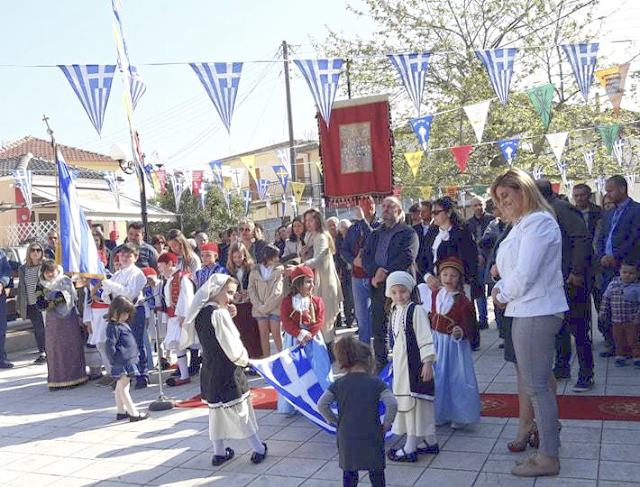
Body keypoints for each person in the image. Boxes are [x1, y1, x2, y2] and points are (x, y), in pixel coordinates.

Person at [490, 168, 568, 477]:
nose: (503, 203)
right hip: (527, 310)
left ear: (524, 190)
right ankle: (549, 442)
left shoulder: (538, 222)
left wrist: (501, 294)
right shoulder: (525, 223)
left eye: (506, 195)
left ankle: (548, 457)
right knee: (539, 381)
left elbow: (526, 274)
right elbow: (514, 265)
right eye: (499, 199)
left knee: (536, 387)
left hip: (535, 310)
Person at [180, 274, 268, 466]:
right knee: (240, 409)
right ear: (215, 290)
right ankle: (258, 448)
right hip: (228, 368)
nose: (230, 298)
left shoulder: (200, 312)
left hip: (210, 368)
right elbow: (230, 343)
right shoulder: (218, 314)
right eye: (228, 292)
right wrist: (244, 360)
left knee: (216, 412)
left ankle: (219, 453)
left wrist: (227, 313)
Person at [536, 179, 594, 391]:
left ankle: (586, 375)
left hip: (572, 279)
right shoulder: (544, 210)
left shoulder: (562, 208)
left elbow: (581, 238)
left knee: (579, 330)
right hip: (555, 280)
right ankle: (561, 368)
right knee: (559, 327)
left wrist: (577, 271)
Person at [318, 336, 398, 487]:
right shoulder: (376, 383)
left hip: (347, 436)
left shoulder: (338, 384)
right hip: (372, 434)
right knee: (376, 472)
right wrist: (387, 422)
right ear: (368, 360)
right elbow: (392, 403)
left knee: (349, 473)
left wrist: (335, 420)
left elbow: (322, 404)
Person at [418, 257, 481, 428]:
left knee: (456, 378)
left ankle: (459, 416)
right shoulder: (435, 294)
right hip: (437, 342)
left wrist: (461, 331)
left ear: (459, 278)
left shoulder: (463, 301)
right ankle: (441, 413)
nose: (448, 278)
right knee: (439, 377)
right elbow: (431, 314)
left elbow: (470, 325)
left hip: (454, 347)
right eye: (444, 274)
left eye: (453, 275)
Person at [385, 271, 438, 462]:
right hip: (401, 366)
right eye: (394, 292)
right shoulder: (394, 311)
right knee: (410, 403)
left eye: (403, 291)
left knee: (415, 404)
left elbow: (425, 338)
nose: (399, 296)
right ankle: (430, 441)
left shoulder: (416, 310)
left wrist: (428, 362)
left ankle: (410, 446)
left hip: (414, 365)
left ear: (410, 291)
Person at [362, 196, 419, 371]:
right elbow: (365, 256)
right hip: (379, 287)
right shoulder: (375, 233)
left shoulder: (408, 233)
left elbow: (408, 256)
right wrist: (373, 275)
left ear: (399, 211)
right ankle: (381, 363)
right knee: (379, 327)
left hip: (401, 287)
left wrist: (384, 272)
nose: (385, 209)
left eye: (390, 206)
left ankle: (408, 362)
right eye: (384, 206)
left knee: (404, 325)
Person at [420, 197, 481, 349]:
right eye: (432, 212)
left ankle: (466, 340)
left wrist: (451, 279)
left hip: (456, 284)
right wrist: (428, 277)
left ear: (448, 213)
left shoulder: (461, 233)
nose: (433, 216)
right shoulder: (433, 232)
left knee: (460, 317)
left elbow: (469, 260)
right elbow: (422, 258)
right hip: (434, 284)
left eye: (436, 212)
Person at [594, 175, 640, 355]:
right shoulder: (608, 213)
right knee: (612, 308)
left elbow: (635, 238)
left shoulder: (636, 211)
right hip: (607, 268)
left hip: (628, 267)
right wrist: (602, 256)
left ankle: (634, 347)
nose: (608, 194)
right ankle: (614, 345)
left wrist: (617, 256)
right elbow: (601, 238)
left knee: (631, 307)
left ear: (622, 189)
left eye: (611, 190)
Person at [278, 265, 332, 415]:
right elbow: (286, 322)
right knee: (293, 369)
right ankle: (290, 405)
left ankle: (325, 402)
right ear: (298, 283)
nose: (311, 285)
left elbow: (319, 320)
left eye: (312, 281)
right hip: (293, 339)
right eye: (308, 282)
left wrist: (309, 334)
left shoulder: (317, 300)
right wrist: (299, 333)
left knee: (319, 367)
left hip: (313, 339)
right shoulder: (287, 302)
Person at [97, 243, 149, 389]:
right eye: (122, 255)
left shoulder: (137, 273)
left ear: (135, 257)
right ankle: (127, 374)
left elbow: (130, 293)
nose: (125, 258)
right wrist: (106, 291)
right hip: (118, 313)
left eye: (129, 256)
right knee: (122, 344)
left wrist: (112, 286)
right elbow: (108, 298)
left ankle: (142, 375)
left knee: (136, 342)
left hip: (134, 310)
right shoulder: (118, 274)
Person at [292, 208, 343, 347]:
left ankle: (330, 352)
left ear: (318, 220)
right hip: (313, 283)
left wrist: (299, 267)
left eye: (311, 220)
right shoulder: (308, 236)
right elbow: (304, 256)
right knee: (315, 319)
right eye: (306, 220)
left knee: (326, 319)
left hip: (324, 282)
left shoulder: (322, 236)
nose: (308, 223)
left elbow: (318, 259)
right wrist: (302, 255)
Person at [35, 260, 88, 390]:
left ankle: (75, 378)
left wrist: (51, 301)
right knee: (54, 349)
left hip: (68, 318)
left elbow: (66, 297)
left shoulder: (64, 281)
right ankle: (56, 380)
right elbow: (40, 303)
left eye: (52, 271)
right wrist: (52, 301)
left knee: (71, 346)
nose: (51, 274)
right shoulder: (41, 284)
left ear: (57, 270)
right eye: (47, 272)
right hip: (52, 321)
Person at [342, 196, 380, 345]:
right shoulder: (353, 228)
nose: (367, 207)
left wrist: (364, 221)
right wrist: (353, 261)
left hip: (375, 277)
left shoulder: (381, 225)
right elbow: (344, 250)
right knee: (362, 317)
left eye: (370, 204)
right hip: (357, 277)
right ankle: (365, 352)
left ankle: (380, 351)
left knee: (378, 315)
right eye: (363, 205)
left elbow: (373, 237)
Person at [104, 296, 149, 422]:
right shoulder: (113, 327)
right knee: (124, 387)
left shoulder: (120, 324)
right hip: (122, 361)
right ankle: (133, 413)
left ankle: (121, 411)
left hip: (126, 359)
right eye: (124, 314)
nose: (126, 317)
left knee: (120, 386)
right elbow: (110, 346)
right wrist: (113, 360)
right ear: (115, 312)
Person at [158, 252, 195, 387]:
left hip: (181, 317)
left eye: (161, 266)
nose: (160, 269)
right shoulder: (168, 280)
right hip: (173, 317)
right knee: (178, 346)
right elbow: (166, 301)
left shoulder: (182, 278)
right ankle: (184, 375)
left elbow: (187, 298)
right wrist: (165, 319)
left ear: (169, 264)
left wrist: (184, 316)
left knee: (194, 343)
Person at [599, 260, 640, 368]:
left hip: (631, 320)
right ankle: (619, 356)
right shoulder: (613, 284)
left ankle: (637, 357)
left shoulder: (637, 288)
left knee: (633, 340)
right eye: (624, 272)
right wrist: (603, 312)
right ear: (619, 272)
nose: (627, 275)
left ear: (636, 275)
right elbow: (605, 299)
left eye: (631, 273)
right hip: (616, 320)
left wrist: (638, 317)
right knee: (618, 339)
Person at [227, 242, 262, 358]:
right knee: (240, 333)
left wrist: (248, 292)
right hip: (237, 305)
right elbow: (228, 288)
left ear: (245, 256)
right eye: (235, 257)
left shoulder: (251, 268)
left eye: (240, 256)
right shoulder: (229, 270)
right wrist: (234, 295)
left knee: (252, 332)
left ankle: (255, 357)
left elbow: (256, 285)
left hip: (249, 304)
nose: (237, 260)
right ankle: (243, 359)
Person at [248, 244, 284, 357]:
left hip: (274, 308)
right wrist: (259, 306)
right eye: (274, 256)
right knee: (263, 336)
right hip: (259, 309)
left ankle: (284, 359)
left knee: (276, 335)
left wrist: (266, 307)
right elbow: (251, 289)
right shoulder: (255, 271)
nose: (277, 259)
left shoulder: (279, 270)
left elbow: (278, 291)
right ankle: (267, 362)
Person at [466, 197, 494, 330]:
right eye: (475, 205)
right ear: (471, 207)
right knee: (479, 291)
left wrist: (484, 254)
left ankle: (499, 319)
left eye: (480, 204)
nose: (478, 207)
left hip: (491, 259)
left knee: (494, 289)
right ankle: (483, 319)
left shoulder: (492, 220)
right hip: (475, 261)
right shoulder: (468, 223)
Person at [17, 242, 47, 364]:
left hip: (44, 303)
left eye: (38, 250)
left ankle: (50, 351)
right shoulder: (23, 269)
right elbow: (21, 288)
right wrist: (20, 306)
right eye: (33, 250)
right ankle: (42, 352)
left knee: (46, 328)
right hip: (31, 303)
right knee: (38, 329)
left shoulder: (45, 266)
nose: (35, 252)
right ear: (29, 252)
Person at [0, 248, 13, 369]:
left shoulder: (1, 253)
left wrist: (2, 283)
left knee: (1, 329)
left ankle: (1, 358)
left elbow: (6, 270)